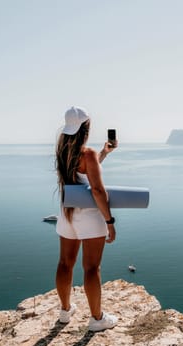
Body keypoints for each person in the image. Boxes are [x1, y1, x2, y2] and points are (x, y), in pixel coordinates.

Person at [54, 106, 118, 332]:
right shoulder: (86, 153)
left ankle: (64, 311)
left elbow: (82, 175)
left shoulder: (63, 150)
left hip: (67, 213)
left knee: (65, 263)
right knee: (91, 268)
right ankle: (97, 319)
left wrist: (104, 154)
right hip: (89, 217)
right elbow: (98, 191)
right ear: (85, 127)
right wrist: (109, 222)